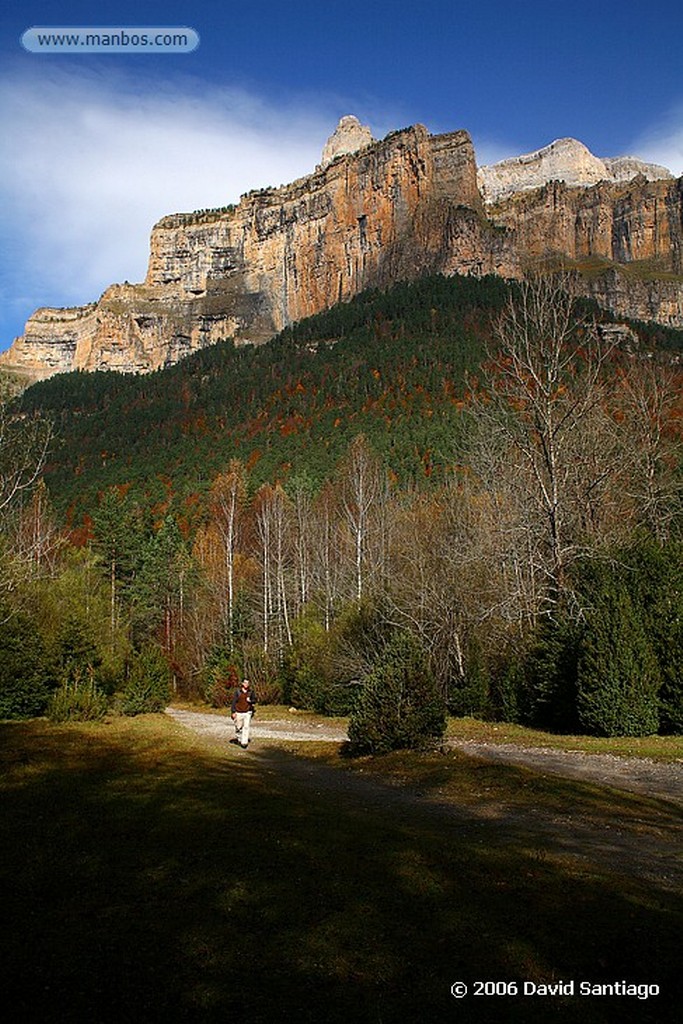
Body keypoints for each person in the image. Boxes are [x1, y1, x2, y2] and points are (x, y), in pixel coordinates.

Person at [231, 678, 256, 748]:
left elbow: (254, 700)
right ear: (242, 683)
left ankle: (244, 742)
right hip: (238, 711)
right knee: (238, 727)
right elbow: (234, 702)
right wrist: (233, 712)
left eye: (248, 683)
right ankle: (239, 738)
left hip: (248, 712)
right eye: (245, 683)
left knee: (246, 727)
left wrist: (250, 701)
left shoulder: (251, 692)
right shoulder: (238, 692)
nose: (246, 684)